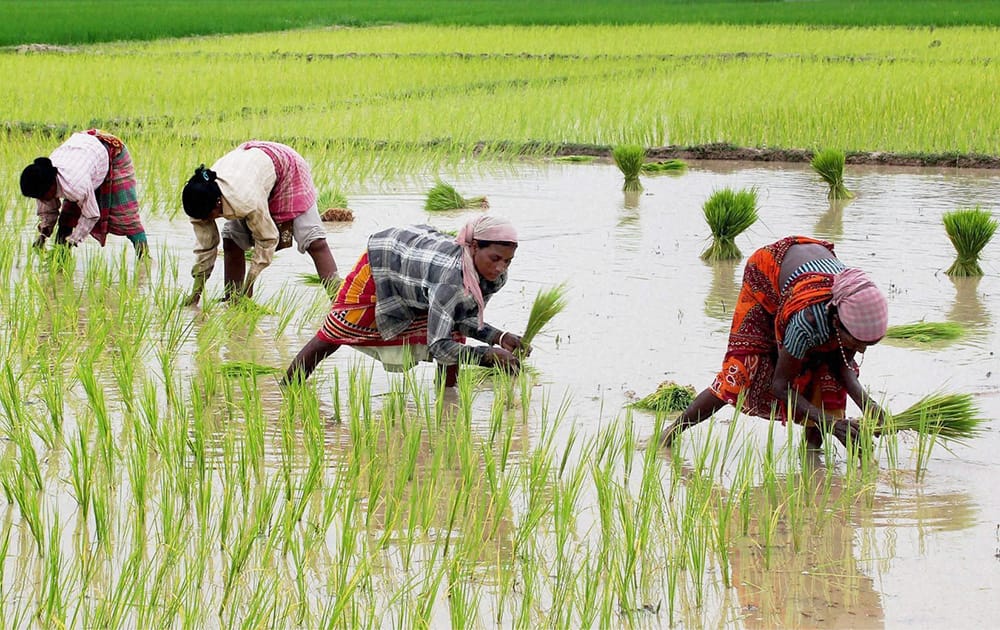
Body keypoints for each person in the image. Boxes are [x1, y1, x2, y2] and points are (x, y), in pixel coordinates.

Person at [660, 236, 889, 449]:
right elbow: (780, 386)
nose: (860, 349)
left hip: (805, 278)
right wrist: (831, 424)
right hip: (766, 276)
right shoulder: (806, 321)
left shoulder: (854, 304)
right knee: (740, 373)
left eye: (868, 344)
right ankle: (670, 433)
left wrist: (869, 405)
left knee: (826, 382)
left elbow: (840, 365)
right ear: (837, 321)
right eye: (857, 342)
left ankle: (811, 458)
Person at [285, 215, 527, 387]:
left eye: (508, 261)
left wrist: (500, 337)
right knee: (338, 328)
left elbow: (461, 318)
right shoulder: (450, 280)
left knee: (452, 331)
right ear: (474, 247)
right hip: (386, 259)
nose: (500, 267)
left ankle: (448, 397)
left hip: (421, 272)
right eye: (495, 258)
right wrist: (485, 355)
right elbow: (438, 346)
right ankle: (288, 387)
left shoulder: (494, 276)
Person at [180, 141, 340, 305]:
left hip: (287, 168)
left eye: (209, 217)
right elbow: (205, 247)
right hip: (251, 173)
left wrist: (250, 282)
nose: (206, 221)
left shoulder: (244, 200)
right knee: (231, 242)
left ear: (218, 204)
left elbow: (267, 239)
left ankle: (341, 304)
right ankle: (233, 301)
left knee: (315, 241)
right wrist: (195, 295)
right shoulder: (198, 203)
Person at [20, 129, 148, 257]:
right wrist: (42, 236)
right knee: (67, 219)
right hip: (85, 155)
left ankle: (145, 259)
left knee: (126, 215)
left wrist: (73, 240)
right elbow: (48, 211)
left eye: (42, 196)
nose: (42, 200)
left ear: (52, 186)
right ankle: (60, 260)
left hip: (112, 153)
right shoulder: (42, 182)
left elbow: (91, 215)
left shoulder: (75, 185)